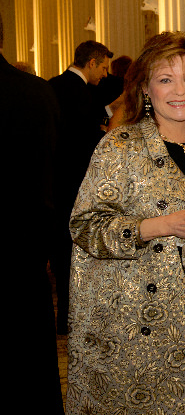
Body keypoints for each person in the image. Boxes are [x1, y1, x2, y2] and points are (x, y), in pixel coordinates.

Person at [65, 31, 185, 415]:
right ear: (145, 87)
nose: (179, 90)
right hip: (138, 324)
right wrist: (157, 226)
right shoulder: (120, 146)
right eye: (166, 79)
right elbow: (84, 226)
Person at [2, 15, 67, 415]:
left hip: (23, 253)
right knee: (30, 381)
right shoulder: (36, 92)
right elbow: (53, 177)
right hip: (22, 257)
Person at [49, 40, 114, 335]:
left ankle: (63, 315)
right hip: (77, 183)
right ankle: (74, 316)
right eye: (102, 66)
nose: (104, 73)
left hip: (54, 183)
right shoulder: (83, 94)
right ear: (90, 62)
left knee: (60, 252)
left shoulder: (51, 86)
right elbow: (88, 144)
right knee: (76, 251)